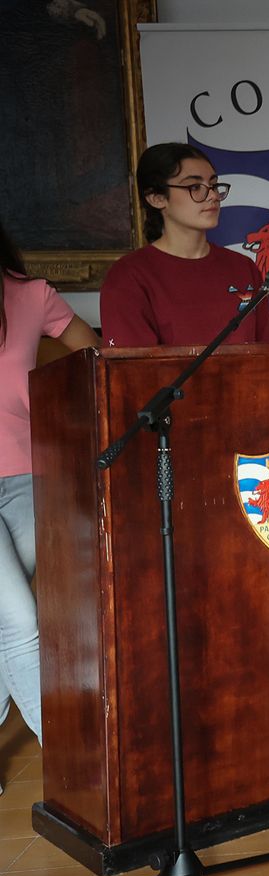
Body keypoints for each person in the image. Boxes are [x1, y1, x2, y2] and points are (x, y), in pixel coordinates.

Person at [0, 218, 99, 778]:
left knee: (4, 617)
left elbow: (92, 360)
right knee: (19, 620)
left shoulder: (31, 296)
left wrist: (67, 432)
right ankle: (75, 764)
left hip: (30, 480)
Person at [100, 143, 269, 348]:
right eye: (194, 187)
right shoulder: (129, 276)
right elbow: (132, 372)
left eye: (213, 185)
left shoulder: (243, 267)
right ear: (156, 198)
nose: (212, 196)